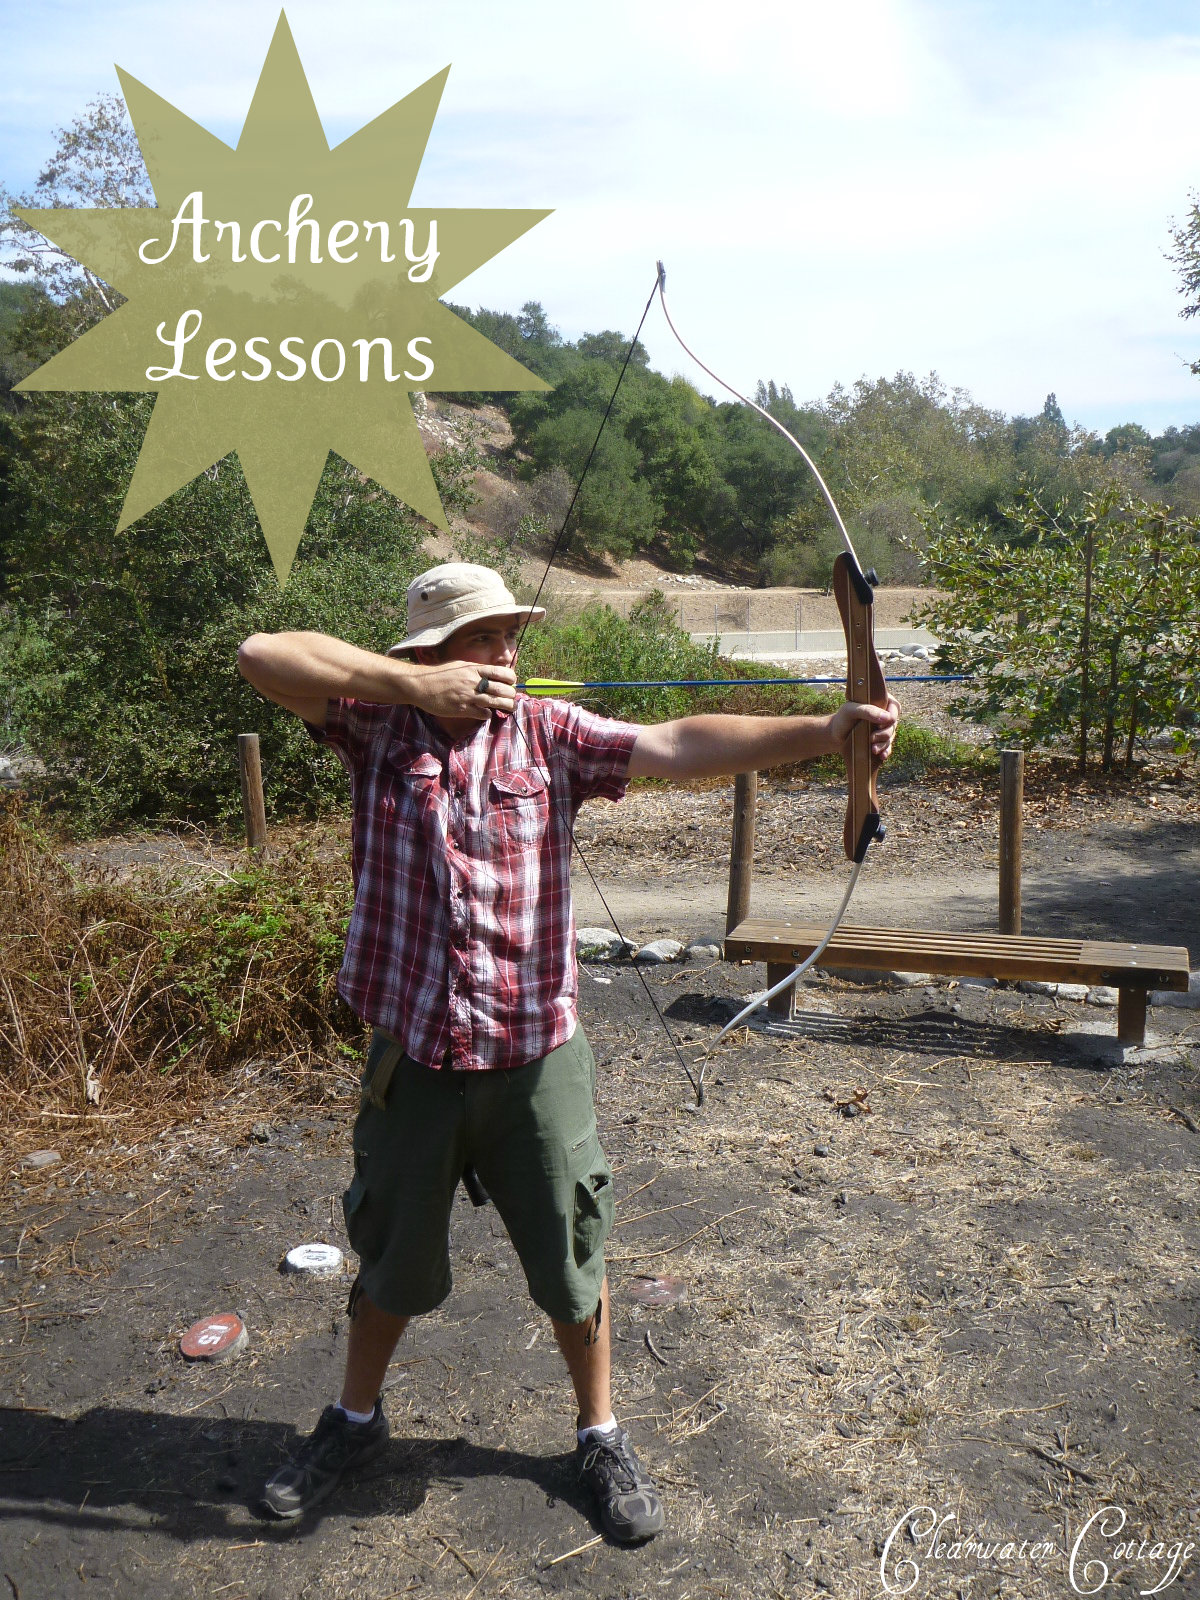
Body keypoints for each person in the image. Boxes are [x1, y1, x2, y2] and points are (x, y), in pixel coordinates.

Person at [236, 562, 899, 1542]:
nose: (507, 651)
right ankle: (355, 1419)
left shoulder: (549, 734)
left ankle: (600, 1431)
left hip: (535, 1056)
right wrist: (412, 687)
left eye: (512, 634)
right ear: (434, 651)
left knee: (572, 1260)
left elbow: (676, 743)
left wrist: (826, 731)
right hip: (413, 1059)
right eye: (485, 637)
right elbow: (259, 654)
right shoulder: (371, 725)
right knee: (389, 1260)